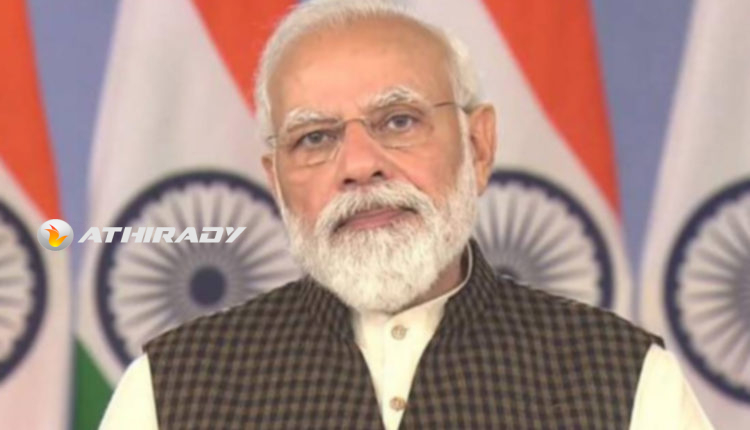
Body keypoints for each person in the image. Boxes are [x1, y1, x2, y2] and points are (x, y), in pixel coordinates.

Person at [100, 1, 713, 428]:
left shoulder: (622, 377)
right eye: (315, 137)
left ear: (478, 146)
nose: (359, 165)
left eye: (398, 121)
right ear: (277, 181)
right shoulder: (173, 388)